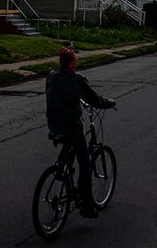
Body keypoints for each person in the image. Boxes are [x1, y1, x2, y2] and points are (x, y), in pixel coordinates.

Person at [45, 47, 116, 219]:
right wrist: (109, 102)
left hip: (54, 127)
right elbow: (94, 99)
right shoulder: (77, 79)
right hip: (71, 129)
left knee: (68, 147)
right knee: (85, 164)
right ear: (72, 63)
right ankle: (86, 205)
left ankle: (61, 168)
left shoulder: (51, 77)